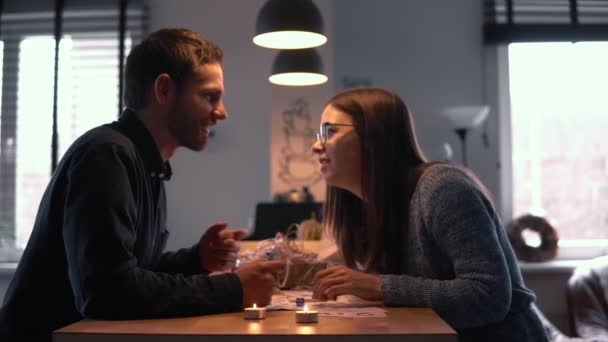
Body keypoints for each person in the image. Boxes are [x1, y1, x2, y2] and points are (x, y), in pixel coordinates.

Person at [0, 28, 284, 341]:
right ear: (164, 90)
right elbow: (108, 290)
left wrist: (196, 259)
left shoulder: (146, 164)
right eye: (209, 97)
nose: (221, 112)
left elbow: (133, 269)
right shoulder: (106, 154)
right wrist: (233, 288)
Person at [310, 88, 549, 341]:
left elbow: (488, 295)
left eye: (330, 131)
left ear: (374, 135)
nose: (316, 146)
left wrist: (379, 286)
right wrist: (291, 267)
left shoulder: (443, 188)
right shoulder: (367, 204)